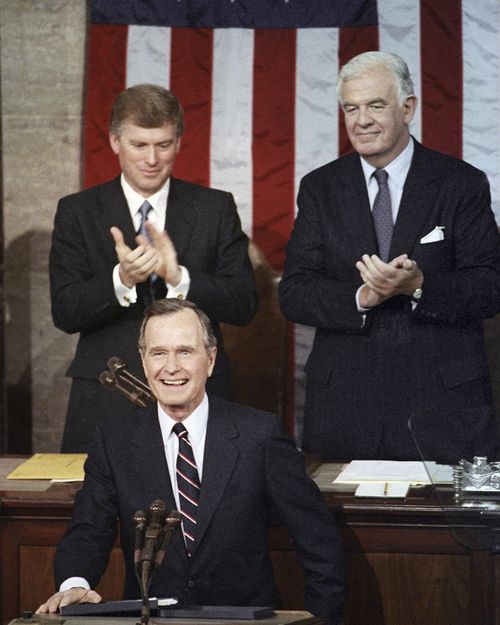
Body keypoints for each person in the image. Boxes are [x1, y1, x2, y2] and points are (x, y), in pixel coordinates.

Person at [36, 299, 345, 625]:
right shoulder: (114, 441)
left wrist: (321, 620)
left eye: (185, 352)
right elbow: (88, 531)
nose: (171, 367)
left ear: (210, 360)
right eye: (158, 353)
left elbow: (320, 543)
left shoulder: (259, 435)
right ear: (143, 361)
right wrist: (75, 585)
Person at [279, 51, 500, 463]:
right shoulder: (320, 188)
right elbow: (294, 292)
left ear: (408, 107)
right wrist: (361, 297)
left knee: (440, 529)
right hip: (345, 410)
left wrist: (419, 286)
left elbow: (489, 287)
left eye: (376, 105)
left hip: (441, 410)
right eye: (351, 108)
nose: (361, 120)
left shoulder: (461, 184)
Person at [50, 84, 258, 453]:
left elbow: (243, 304)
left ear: (178, 142)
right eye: (139, 145)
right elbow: (65, 311)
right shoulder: (78, 211)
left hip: (198, 398)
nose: (151, 159)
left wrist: (179, 278)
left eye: (163, 145)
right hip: (106, 395)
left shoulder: (214, 208)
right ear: (115, 141)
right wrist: (121, 279)